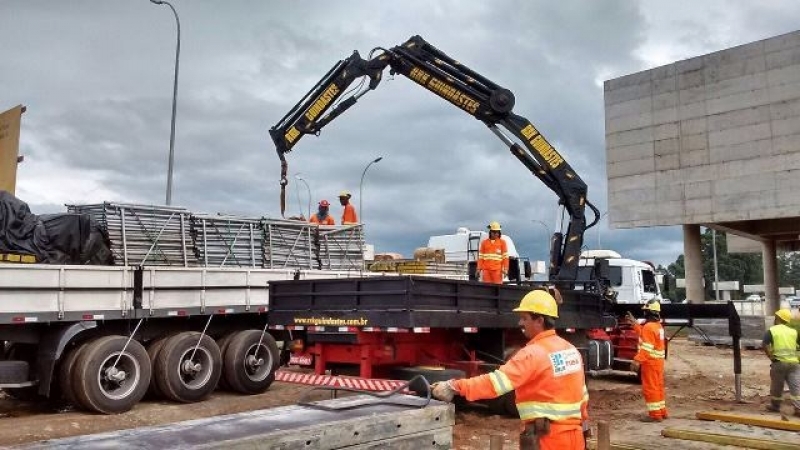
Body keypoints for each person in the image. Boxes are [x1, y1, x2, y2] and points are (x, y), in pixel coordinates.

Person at [431, 289, 589, 450]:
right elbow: (582, 397)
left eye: (524, 318)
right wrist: (584, 430)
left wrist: (455, 386)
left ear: (539, 320)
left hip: (548, 440)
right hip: (575, 437)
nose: (520, 323)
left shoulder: (532, 354)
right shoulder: (571, 350)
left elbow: (494, 384)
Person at [627, 299, 668, 422]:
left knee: (650, 388)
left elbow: (646, 347)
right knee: (658, 387)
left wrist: (636, 360)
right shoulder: (657, 326)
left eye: (645, 311)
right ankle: (661, 412)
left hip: (650, 363)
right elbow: (646, 335)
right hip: (658, 362)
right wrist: (635, 324)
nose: (644, 313)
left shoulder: (649, 327)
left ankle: (655, 415)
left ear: (649, 312)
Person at [762, 308, 800, 417]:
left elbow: (764, 344)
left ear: (778, 318)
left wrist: (771, 357)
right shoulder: (793, 332)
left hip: (779, 362)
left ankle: (775, 406)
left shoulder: (772, 330)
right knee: (795, 387)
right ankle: (798, 408)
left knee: (777, 386)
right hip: (794, 363)